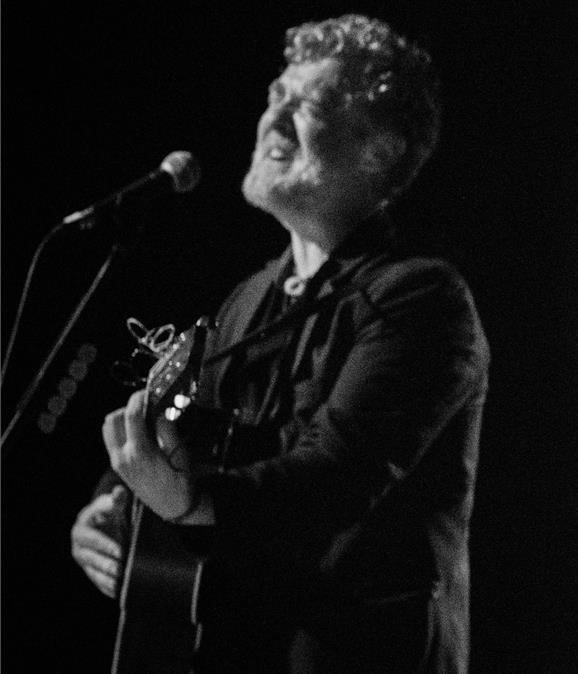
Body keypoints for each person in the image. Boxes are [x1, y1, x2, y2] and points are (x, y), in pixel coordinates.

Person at [69, 14, 489, 673]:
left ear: (380, 149)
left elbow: (335, 476)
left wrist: (184, 500)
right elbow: (188, 433)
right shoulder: (249, 299)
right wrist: (113, 503)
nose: (274, 119)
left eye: (310, 105)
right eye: (276, 96)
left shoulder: (421, 298)